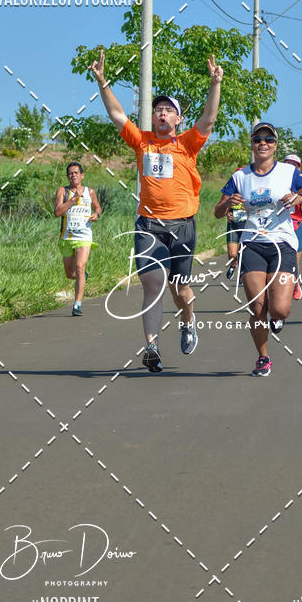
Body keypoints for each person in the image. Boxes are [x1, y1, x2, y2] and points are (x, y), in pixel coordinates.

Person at [91, 49, 223, 372]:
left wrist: (215, 84)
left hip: (182, 227)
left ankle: (188, 321)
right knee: (152, 283)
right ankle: (151, 346)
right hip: (149, 225)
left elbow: (209, 118)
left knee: (180, 289)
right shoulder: (142, 141)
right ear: (153, 118)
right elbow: (118, 115)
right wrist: (103, 83)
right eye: (157, 110)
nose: (162, 113)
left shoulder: (188, 143)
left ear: (177, 119)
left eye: (168, 110)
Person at [215, 123, 302, 376]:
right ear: (251, 144)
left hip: (282, 244)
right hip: (252, 243)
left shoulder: (288, 172)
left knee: (279, 308)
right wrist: (228, 201)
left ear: (275, 145)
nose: (263, 143)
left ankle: (278, 315)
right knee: (257, 306)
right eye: (258, 139)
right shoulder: (240, 177)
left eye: (268, 140)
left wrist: (301, 198)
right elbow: (218, 212)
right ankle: (263, 358)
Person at [54, 162, 101, 315]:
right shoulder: (63, 191)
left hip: (84, 237)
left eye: (76, 173)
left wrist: (96, 214)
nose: (73, 175)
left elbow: (97, 207)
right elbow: (57, 212)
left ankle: (77, 305)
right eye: (70, 173)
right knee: (70, 274)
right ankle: (83, 277)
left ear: (82, 175)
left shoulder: (90, 192)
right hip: (67, 237)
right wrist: (73, 199)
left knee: (80, 267)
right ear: (68, 176)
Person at [284, 154, 302, 299]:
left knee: (294, 260)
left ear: (299, 167)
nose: (291, 166)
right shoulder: (275, 178)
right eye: (288, 163)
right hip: (278, 224)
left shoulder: (301, 181)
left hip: (296, 223)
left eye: (295, 164)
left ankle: (295, 283)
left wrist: (301, 197)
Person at [225, 165, 247, 281]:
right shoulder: (231, 190)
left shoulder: (250, 190)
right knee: (232, 254)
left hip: (247, 226)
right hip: (233, 224)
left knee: (246, 254)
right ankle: (234, 264)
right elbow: (224, 204)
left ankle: (243, 276)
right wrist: (227, 212)